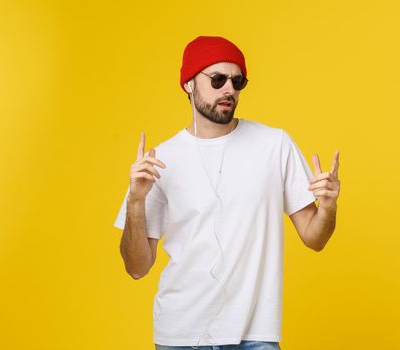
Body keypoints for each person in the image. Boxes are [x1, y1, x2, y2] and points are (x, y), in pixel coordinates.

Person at [114, 35, 341, 350]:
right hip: (180, 337)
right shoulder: (161, 160)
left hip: (254, 336)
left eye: (237, 81)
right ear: (189, 85)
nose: (229, 90)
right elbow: (136, 267)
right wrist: (135, 201)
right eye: (217, 79)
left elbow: (315, 239)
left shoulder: (274, 146)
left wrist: (328, 207)